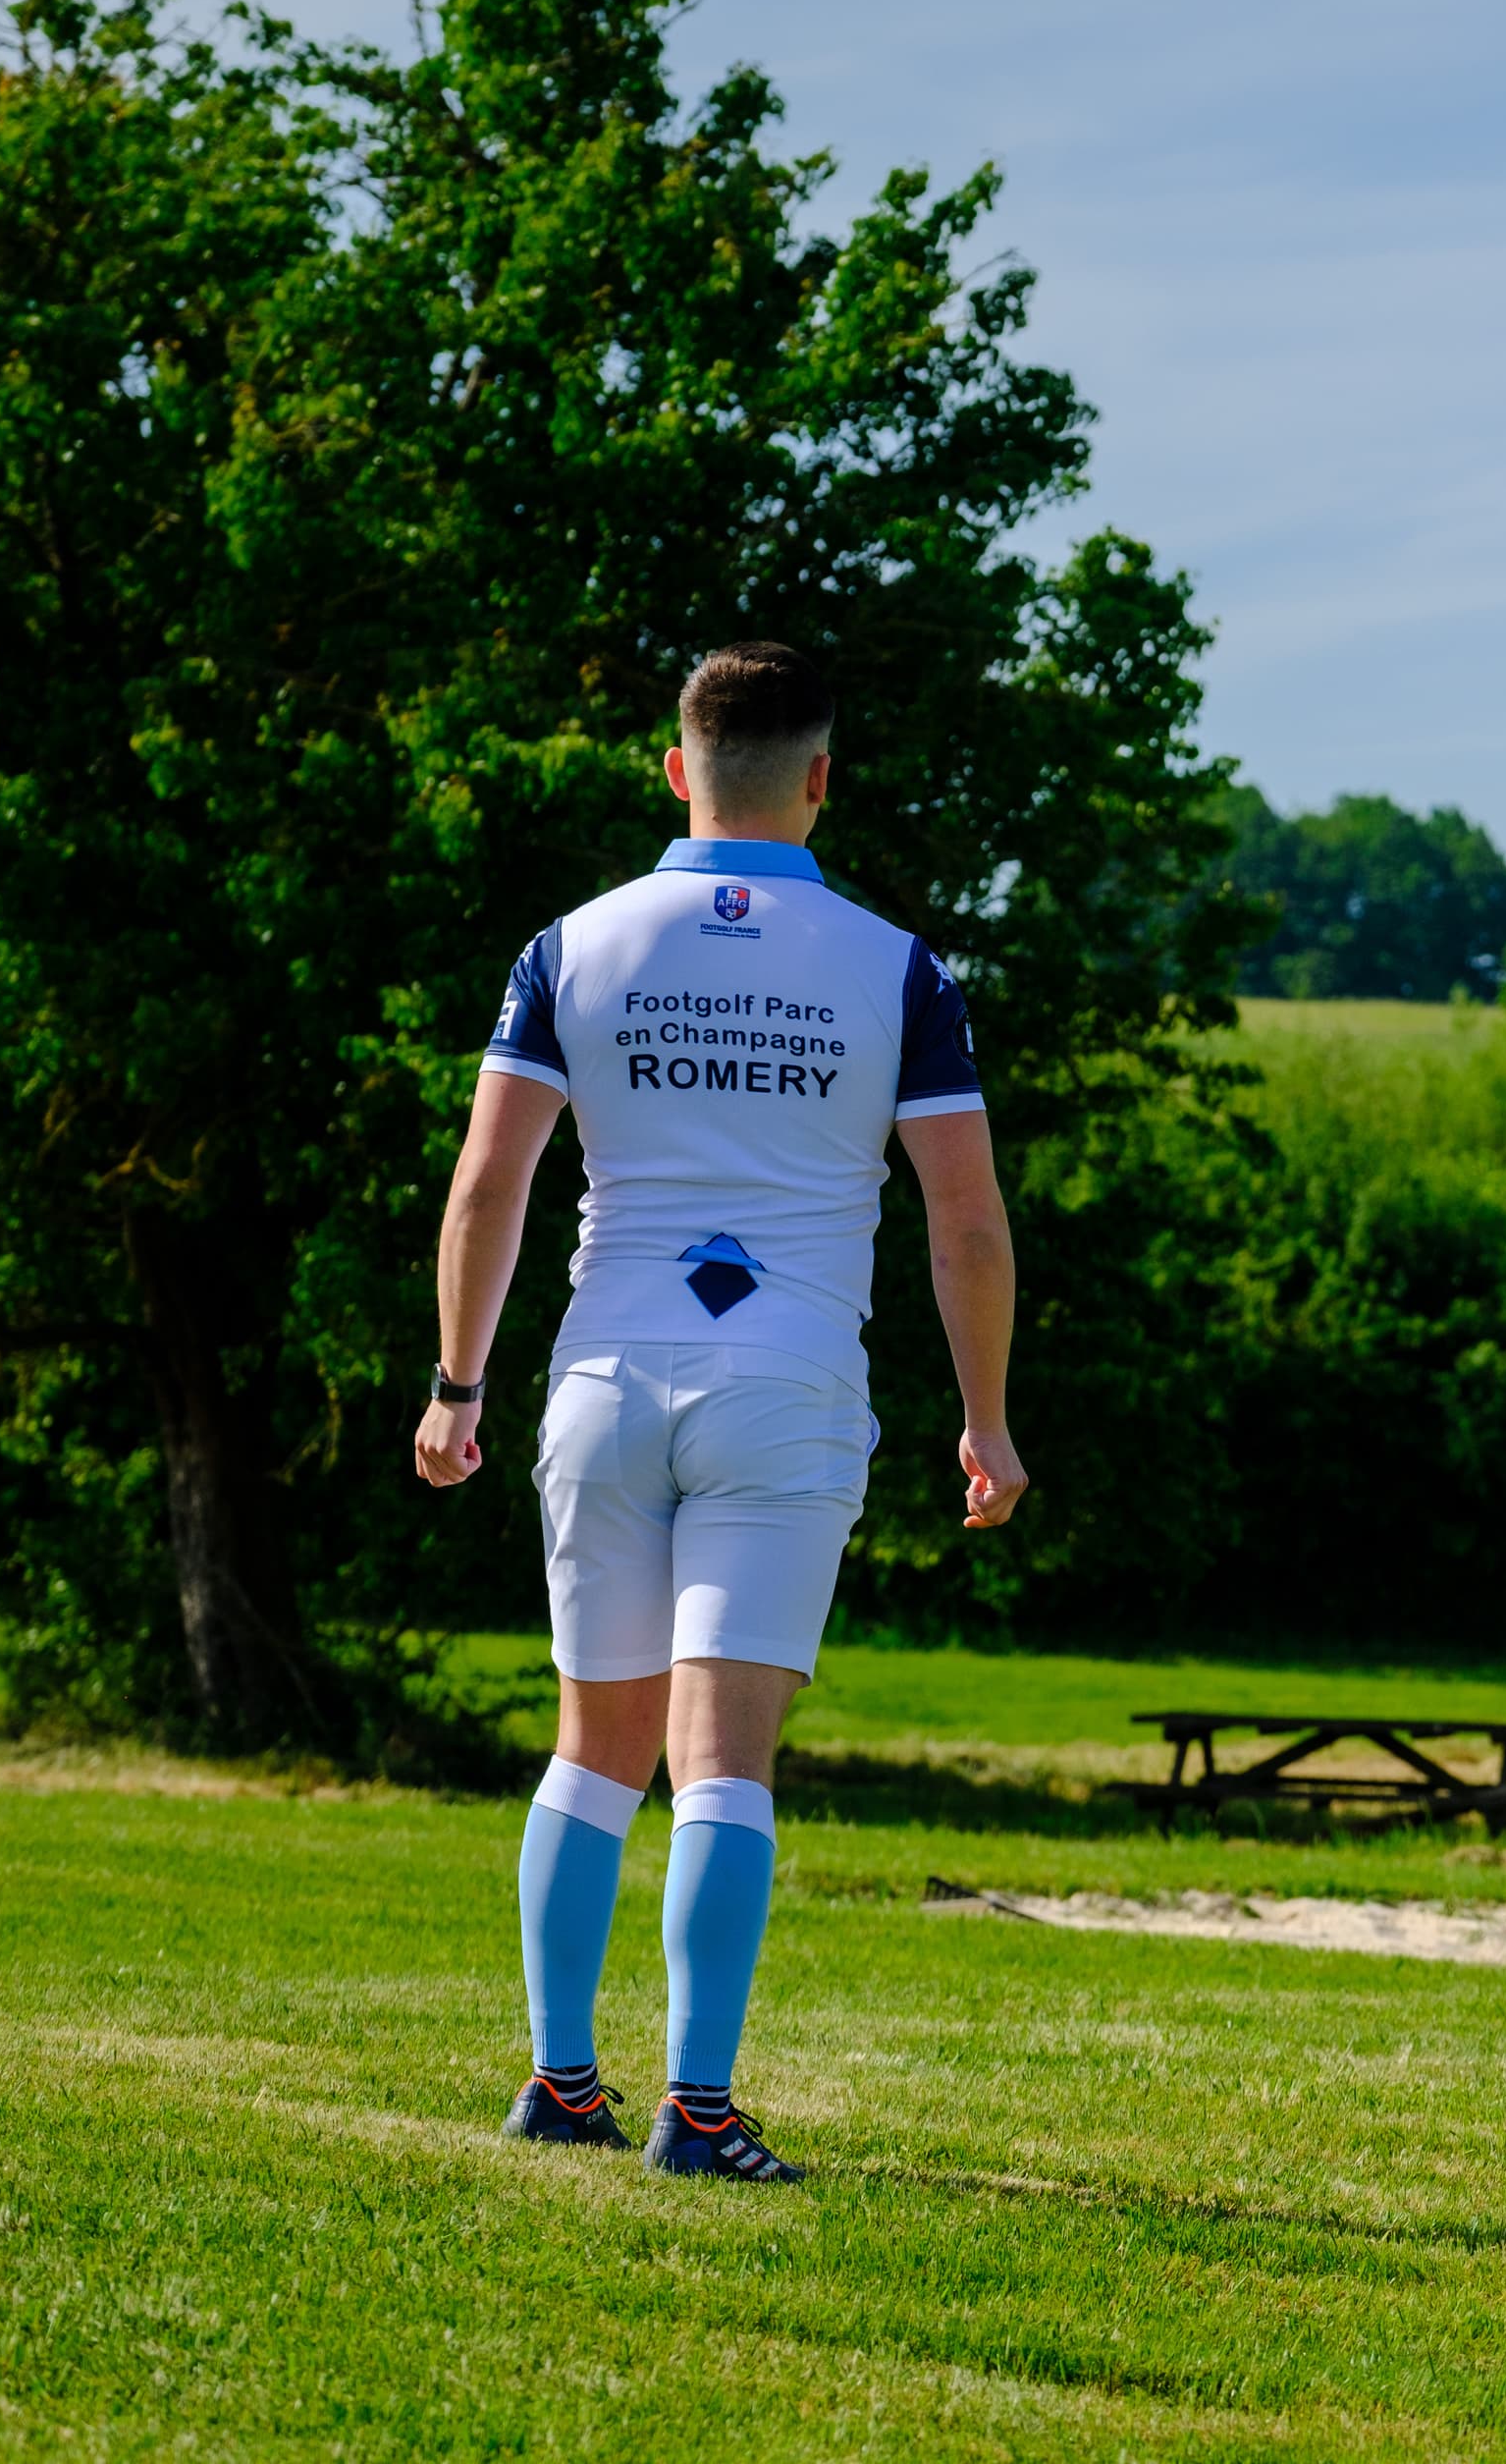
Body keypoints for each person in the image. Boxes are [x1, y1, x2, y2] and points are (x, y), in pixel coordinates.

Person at [413, 641, 1026, 2184]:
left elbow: (489, 1186)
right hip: (784, 1381)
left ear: (677, 769)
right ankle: (697, 2113)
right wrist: (987, 1419)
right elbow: (964, 1223)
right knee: (722, 1761)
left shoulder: (572, 944)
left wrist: (456, 1382)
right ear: (820, 780)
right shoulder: (898, 967)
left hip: (604, 1374)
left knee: (592, 1751)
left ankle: (561, 2084)